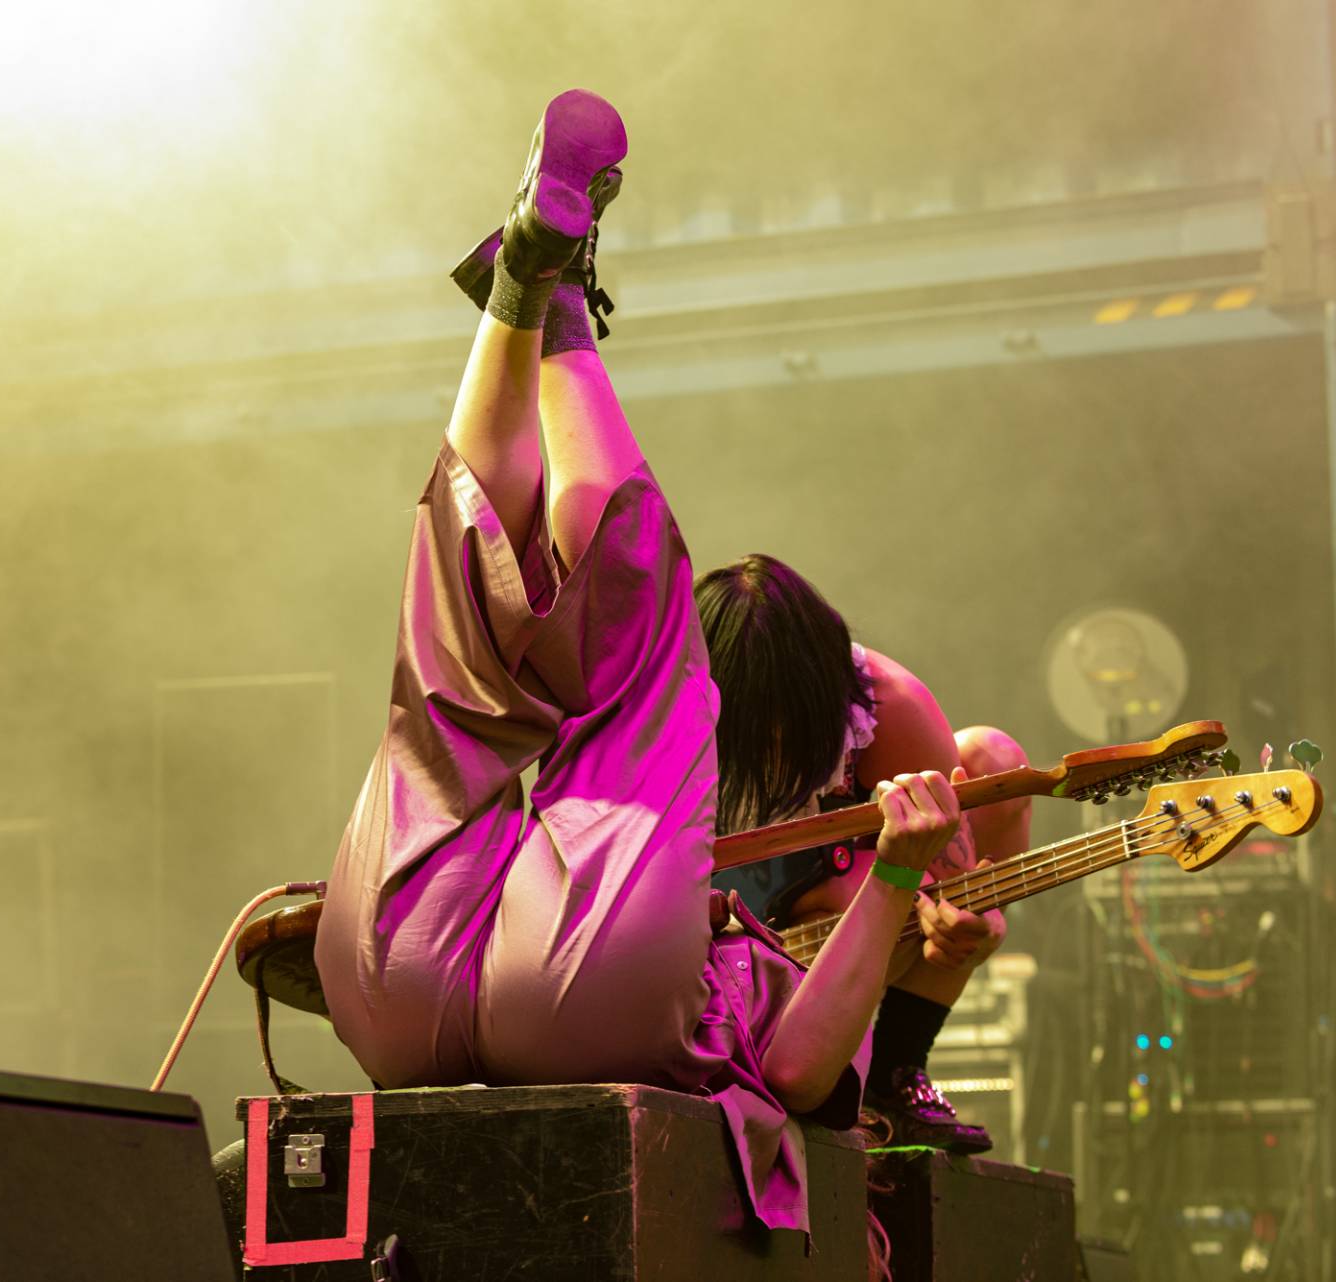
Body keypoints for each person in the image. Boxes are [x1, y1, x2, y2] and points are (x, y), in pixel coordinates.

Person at [312, 88, 967, 1235]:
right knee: (463, 688)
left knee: (532, 672)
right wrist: (896, 879)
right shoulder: (748, 945)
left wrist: (894, 878)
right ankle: (541, 294)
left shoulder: (835, 781)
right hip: (455, 1008)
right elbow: (800, 1072)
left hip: (408, 975)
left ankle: (540, 296)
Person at [698, 556, 1033, 1152]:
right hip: (705, 955)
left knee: (992, 761)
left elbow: (947, 894)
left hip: (838, 935)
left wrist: (971, 929)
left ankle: (899, 1069)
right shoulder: (666, 707)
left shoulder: (892, 708)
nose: (775, 736)